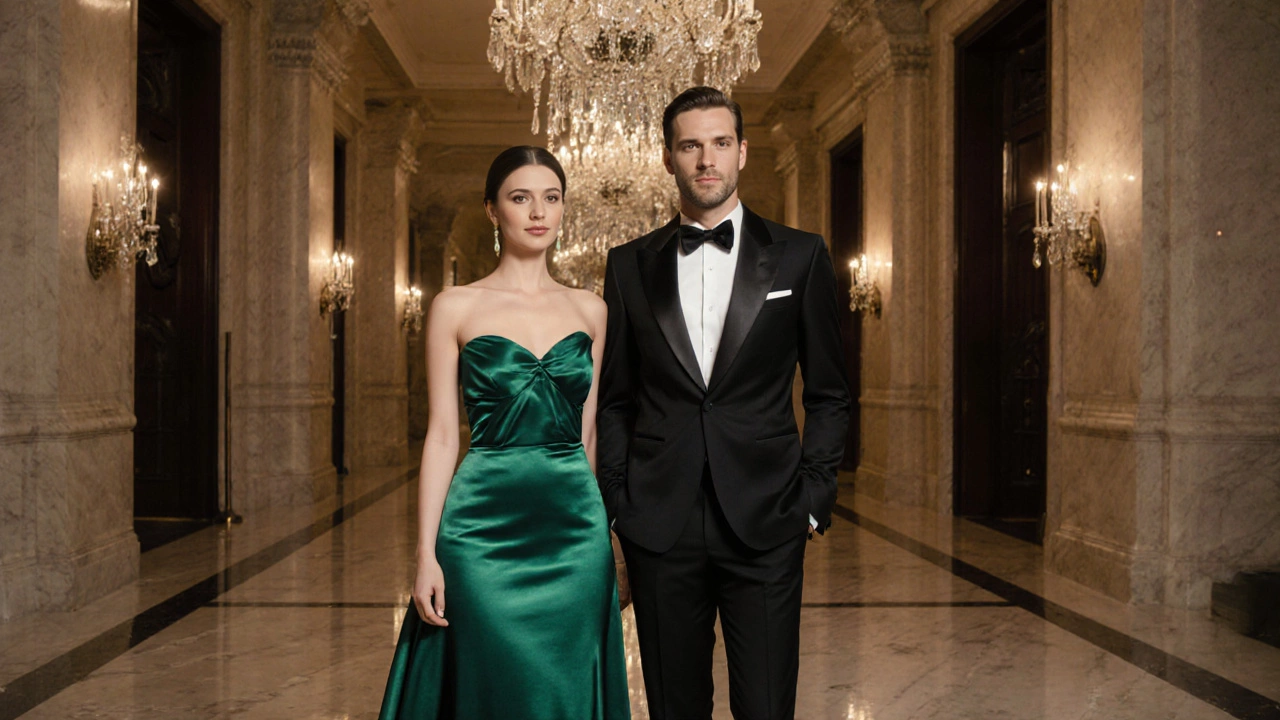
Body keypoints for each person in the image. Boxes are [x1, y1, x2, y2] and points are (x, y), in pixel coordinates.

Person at [597, 86, 851, 719]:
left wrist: (814, 498)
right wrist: (618, 502)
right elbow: (615, 400)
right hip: (660, 523)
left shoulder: (802, 255)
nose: (705, 160)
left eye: (718, 144)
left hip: (768, 519)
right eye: (689, 146)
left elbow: (828, 393)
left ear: (742, 152)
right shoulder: (628, 266)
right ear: (668, 158)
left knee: (767, 707)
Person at [379, 146, 631, 720]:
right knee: (492, 679)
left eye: (551, 198)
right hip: (480, 527)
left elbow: (589, 435)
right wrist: (426, 554)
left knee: (565, 680)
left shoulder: (592, 310)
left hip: (574, 530)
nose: (538, 212)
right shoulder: (454, 306)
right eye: (521, 198)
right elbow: (443, 435)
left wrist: (605, 539)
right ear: (493, 210)